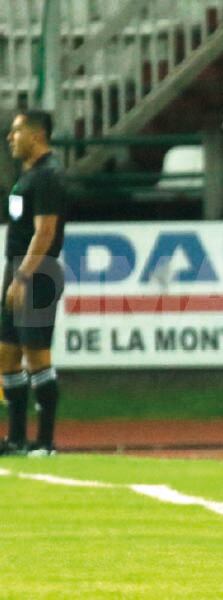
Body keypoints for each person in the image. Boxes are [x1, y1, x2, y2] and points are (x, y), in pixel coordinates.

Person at [0, 109, 67, 457]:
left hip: (37, 274)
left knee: (37, 356)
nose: (11, 138)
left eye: (16, 131)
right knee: (7, 355)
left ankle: (45, 442)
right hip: (18, 271)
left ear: (36, 135)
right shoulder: (28, 175)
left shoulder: (48, 176)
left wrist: (23, 276)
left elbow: (45, 232)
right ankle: (15, 438)